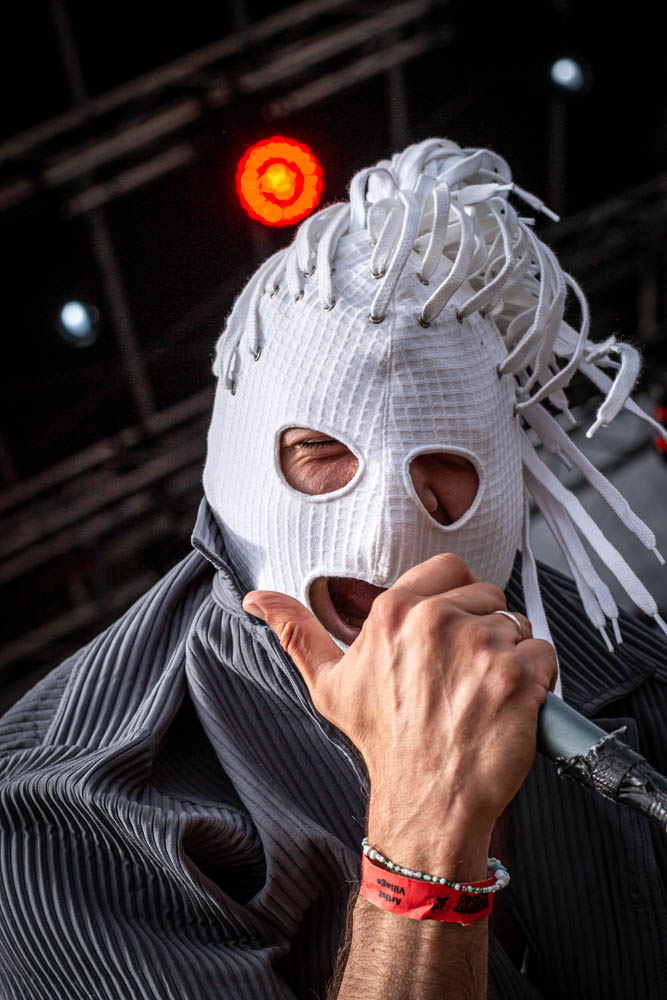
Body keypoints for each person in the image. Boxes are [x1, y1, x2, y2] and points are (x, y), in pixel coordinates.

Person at [0, 139, 665, 1000]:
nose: (388, 528)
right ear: (240, 454)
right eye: (322, 452)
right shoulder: (70, 818)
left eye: (443, 466)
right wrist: (424, 838)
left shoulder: (624, 663)